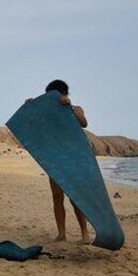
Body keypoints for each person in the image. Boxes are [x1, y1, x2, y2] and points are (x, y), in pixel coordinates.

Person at [41, 79, 91, 244]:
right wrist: (32, 107)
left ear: (63, 94)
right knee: (57, 197)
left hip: (72, 160)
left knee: (75, 197)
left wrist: (69, 106)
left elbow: (83, 123)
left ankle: (85, 233)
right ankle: (62, 234)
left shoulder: (75, 109)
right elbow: (34, 125)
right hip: (54, 159)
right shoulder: (47, 114)